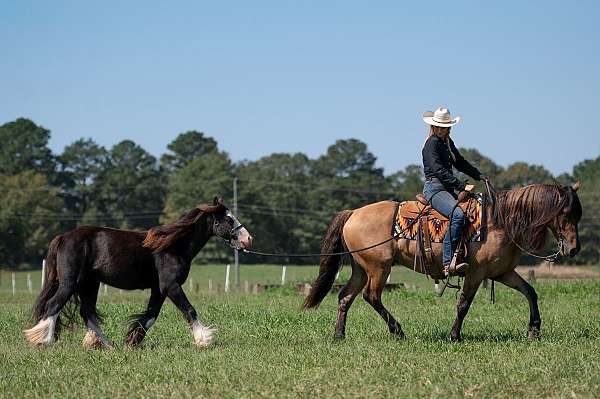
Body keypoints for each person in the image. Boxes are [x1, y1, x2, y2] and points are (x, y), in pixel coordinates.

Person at [421, 107, 486, 276]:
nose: (443, 129)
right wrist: (461, 186)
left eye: (446, 126)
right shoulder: (431, 144)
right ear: (434, 127)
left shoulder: (447, 143)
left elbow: (460, 163)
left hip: (447, 189)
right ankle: (447, 262)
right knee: (457, 215)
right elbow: (438, 170)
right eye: (440, 126)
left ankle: (465, 255)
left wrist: (479, 175)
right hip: (435, 189)